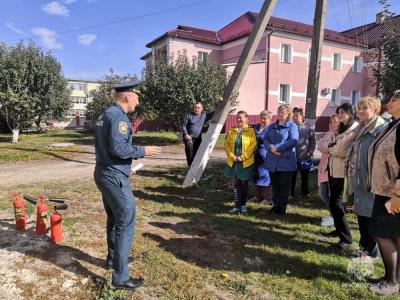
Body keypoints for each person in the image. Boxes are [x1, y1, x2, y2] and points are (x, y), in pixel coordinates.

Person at [94, 80, 161, 290]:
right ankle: (121, 278)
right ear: (128, 96)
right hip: (113, 177)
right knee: (126, 220)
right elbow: (119, 148)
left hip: (105, 172)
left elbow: (108, 148)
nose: (138, 102)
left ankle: (114, 260)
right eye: (137, 97)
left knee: (115, 218)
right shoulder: (119, 117)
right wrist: (144, 151)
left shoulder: (106, 114)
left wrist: (126, 168)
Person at [368, 90, 400, 296]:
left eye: (394, 99)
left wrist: (398, 195)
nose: (389, 102)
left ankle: (391, 281)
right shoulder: (393, 124)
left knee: (382, 234)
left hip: (393, 193)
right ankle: (395, 279)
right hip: (384, 189)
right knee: (394, 235)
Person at [346, 97, 386, 262]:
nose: (360, 111)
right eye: (359, 108)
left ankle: (371, 252)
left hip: (372, 180)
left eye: (365, 108)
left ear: (374, 110)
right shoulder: (362, 127)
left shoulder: (380, 129)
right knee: (362, 215)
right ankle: (363, 248)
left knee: (370, 216)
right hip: (359, 178)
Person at [326, 103, 359, 249]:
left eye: (342, 113)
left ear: (350, 113)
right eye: (338, 113)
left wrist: (331, 148)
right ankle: (339, 231)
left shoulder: (354, 129)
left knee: (336, 204)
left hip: (342, 173)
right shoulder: (341, 128)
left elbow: (340, 151)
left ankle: (346, 239)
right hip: (333, 169)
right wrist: (332, 148)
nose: (339, 116)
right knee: (333, 203)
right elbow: (330, 145)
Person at [264, 104, 299, 215]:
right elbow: (265, 139)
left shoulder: (292, 126)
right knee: (275, 185)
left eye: (283, 112)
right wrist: (271, 148)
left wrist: (278, 148)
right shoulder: (272, 126)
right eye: (279, 112)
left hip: (286, 161)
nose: (280, 114)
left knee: (284, 186)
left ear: (288, 113)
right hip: (272, 160)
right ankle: (276, 205)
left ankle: (282, 207)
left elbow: (293, 140)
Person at [224, 111, 257, 213]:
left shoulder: (251, 131)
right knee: (236, 184)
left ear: (246, 119)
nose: (239, 119)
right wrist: (231, 155)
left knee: (244, 183)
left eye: (241, 117)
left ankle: (243, 205)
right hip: (233, 162)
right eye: (237, 117)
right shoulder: (231, 131)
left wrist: (242, 157)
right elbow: (226, 145)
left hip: (245, 163)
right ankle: (236, 205)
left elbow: (253, 146)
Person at [181, 100, 220, 166]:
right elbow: (183, 125)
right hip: (189, 137)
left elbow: (214, 112)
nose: (196, 109)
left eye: (198, 108)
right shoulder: (189, 115)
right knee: (189, 150)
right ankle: (190, 166)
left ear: (202, 109)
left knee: (196, 153)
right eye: (195, 107)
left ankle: (193, 167)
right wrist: (186, 134)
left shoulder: (204, 115)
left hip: (198, 138)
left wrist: (218, 103)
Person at [317, 115, 339, 227]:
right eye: (331, 122)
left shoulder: (338, 135)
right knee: (322, 192)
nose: (332, 124)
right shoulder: (328, 133)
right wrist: (322, 145)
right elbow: (320, 146)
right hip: (323, 166)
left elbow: (325, 148)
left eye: (335, 122)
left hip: (331, 168)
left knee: (327, 193)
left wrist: (323, 145)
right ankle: (332, 214)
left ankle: (334, 217)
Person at [291, 107, 316, 198]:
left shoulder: (308, 127)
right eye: (293, 116)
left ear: (302, 116)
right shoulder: (291, 127)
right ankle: (290, 193)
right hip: (293, 158)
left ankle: (305, 193)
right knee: (292, 177)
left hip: (305, 157)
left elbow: (313, 141)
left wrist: (310, 152)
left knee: (305, 176)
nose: (294, 117)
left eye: (297, 115)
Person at [248, 110, 273, 204]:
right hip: (254, 156)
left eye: (265, 118)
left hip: (266, 157)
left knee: (267, 176)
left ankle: (268, 198)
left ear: (270, 119)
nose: (262, 120)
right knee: (256, 175)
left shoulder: (272, 129)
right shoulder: (255, 127)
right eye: (261, 117)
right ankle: (257, 196)